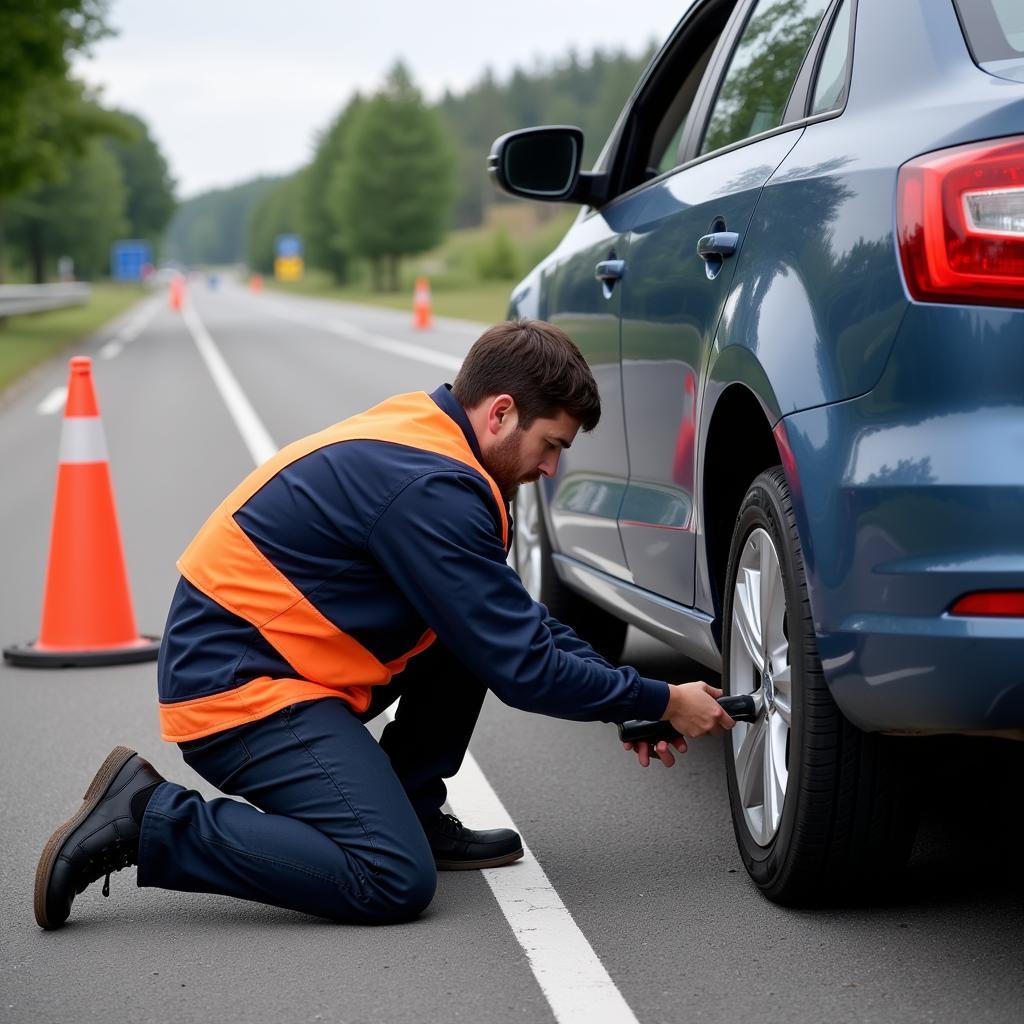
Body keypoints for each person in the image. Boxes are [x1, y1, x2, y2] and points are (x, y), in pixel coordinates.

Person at [34, 319, 734, 930]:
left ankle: (412, 813)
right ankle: (151, 819)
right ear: (499, 413)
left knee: (470, 633)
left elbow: (515, 626)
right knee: (390, 878)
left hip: (275, 658)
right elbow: (525, 668)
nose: (552, 468)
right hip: (236, 687)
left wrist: (631, 699)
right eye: (550, 444)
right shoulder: (432, 487)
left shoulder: (440, 443)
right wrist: (665, 699)